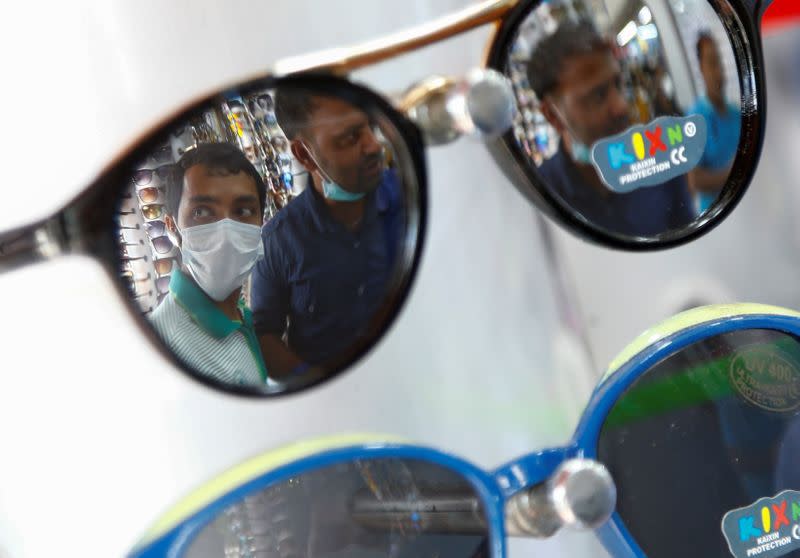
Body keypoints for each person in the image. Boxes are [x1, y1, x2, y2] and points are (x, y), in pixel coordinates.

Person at [250, 89, 403, 379]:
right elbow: (265, 335)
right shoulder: (278, 242)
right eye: (349, 138)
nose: (373, 147)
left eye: (370, 128)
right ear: (304, 155)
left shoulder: (409, 198)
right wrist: (313, 379)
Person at [526, 20, 695, 237]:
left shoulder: (662, 162)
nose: (621, 106)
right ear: (553, 115)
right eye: (598, 96)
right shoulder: (538, 196)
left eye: (618, 84)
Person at [149, 142, 269, 386]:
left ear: (261, 222)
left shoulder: (239, 313)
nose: (226, 232)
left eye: (244, 211)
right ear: (173, 228)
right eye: (202, 212)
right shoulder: (162, 353)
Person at [687, 31, 741, 214]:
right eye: (711, 63)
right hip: (715, 216)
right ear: (701, 68)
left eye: (719, 61)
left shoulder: (736, 113)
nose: (718, 71)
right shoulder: (694, 119)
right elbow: (695, 180)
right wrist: (735, 174)